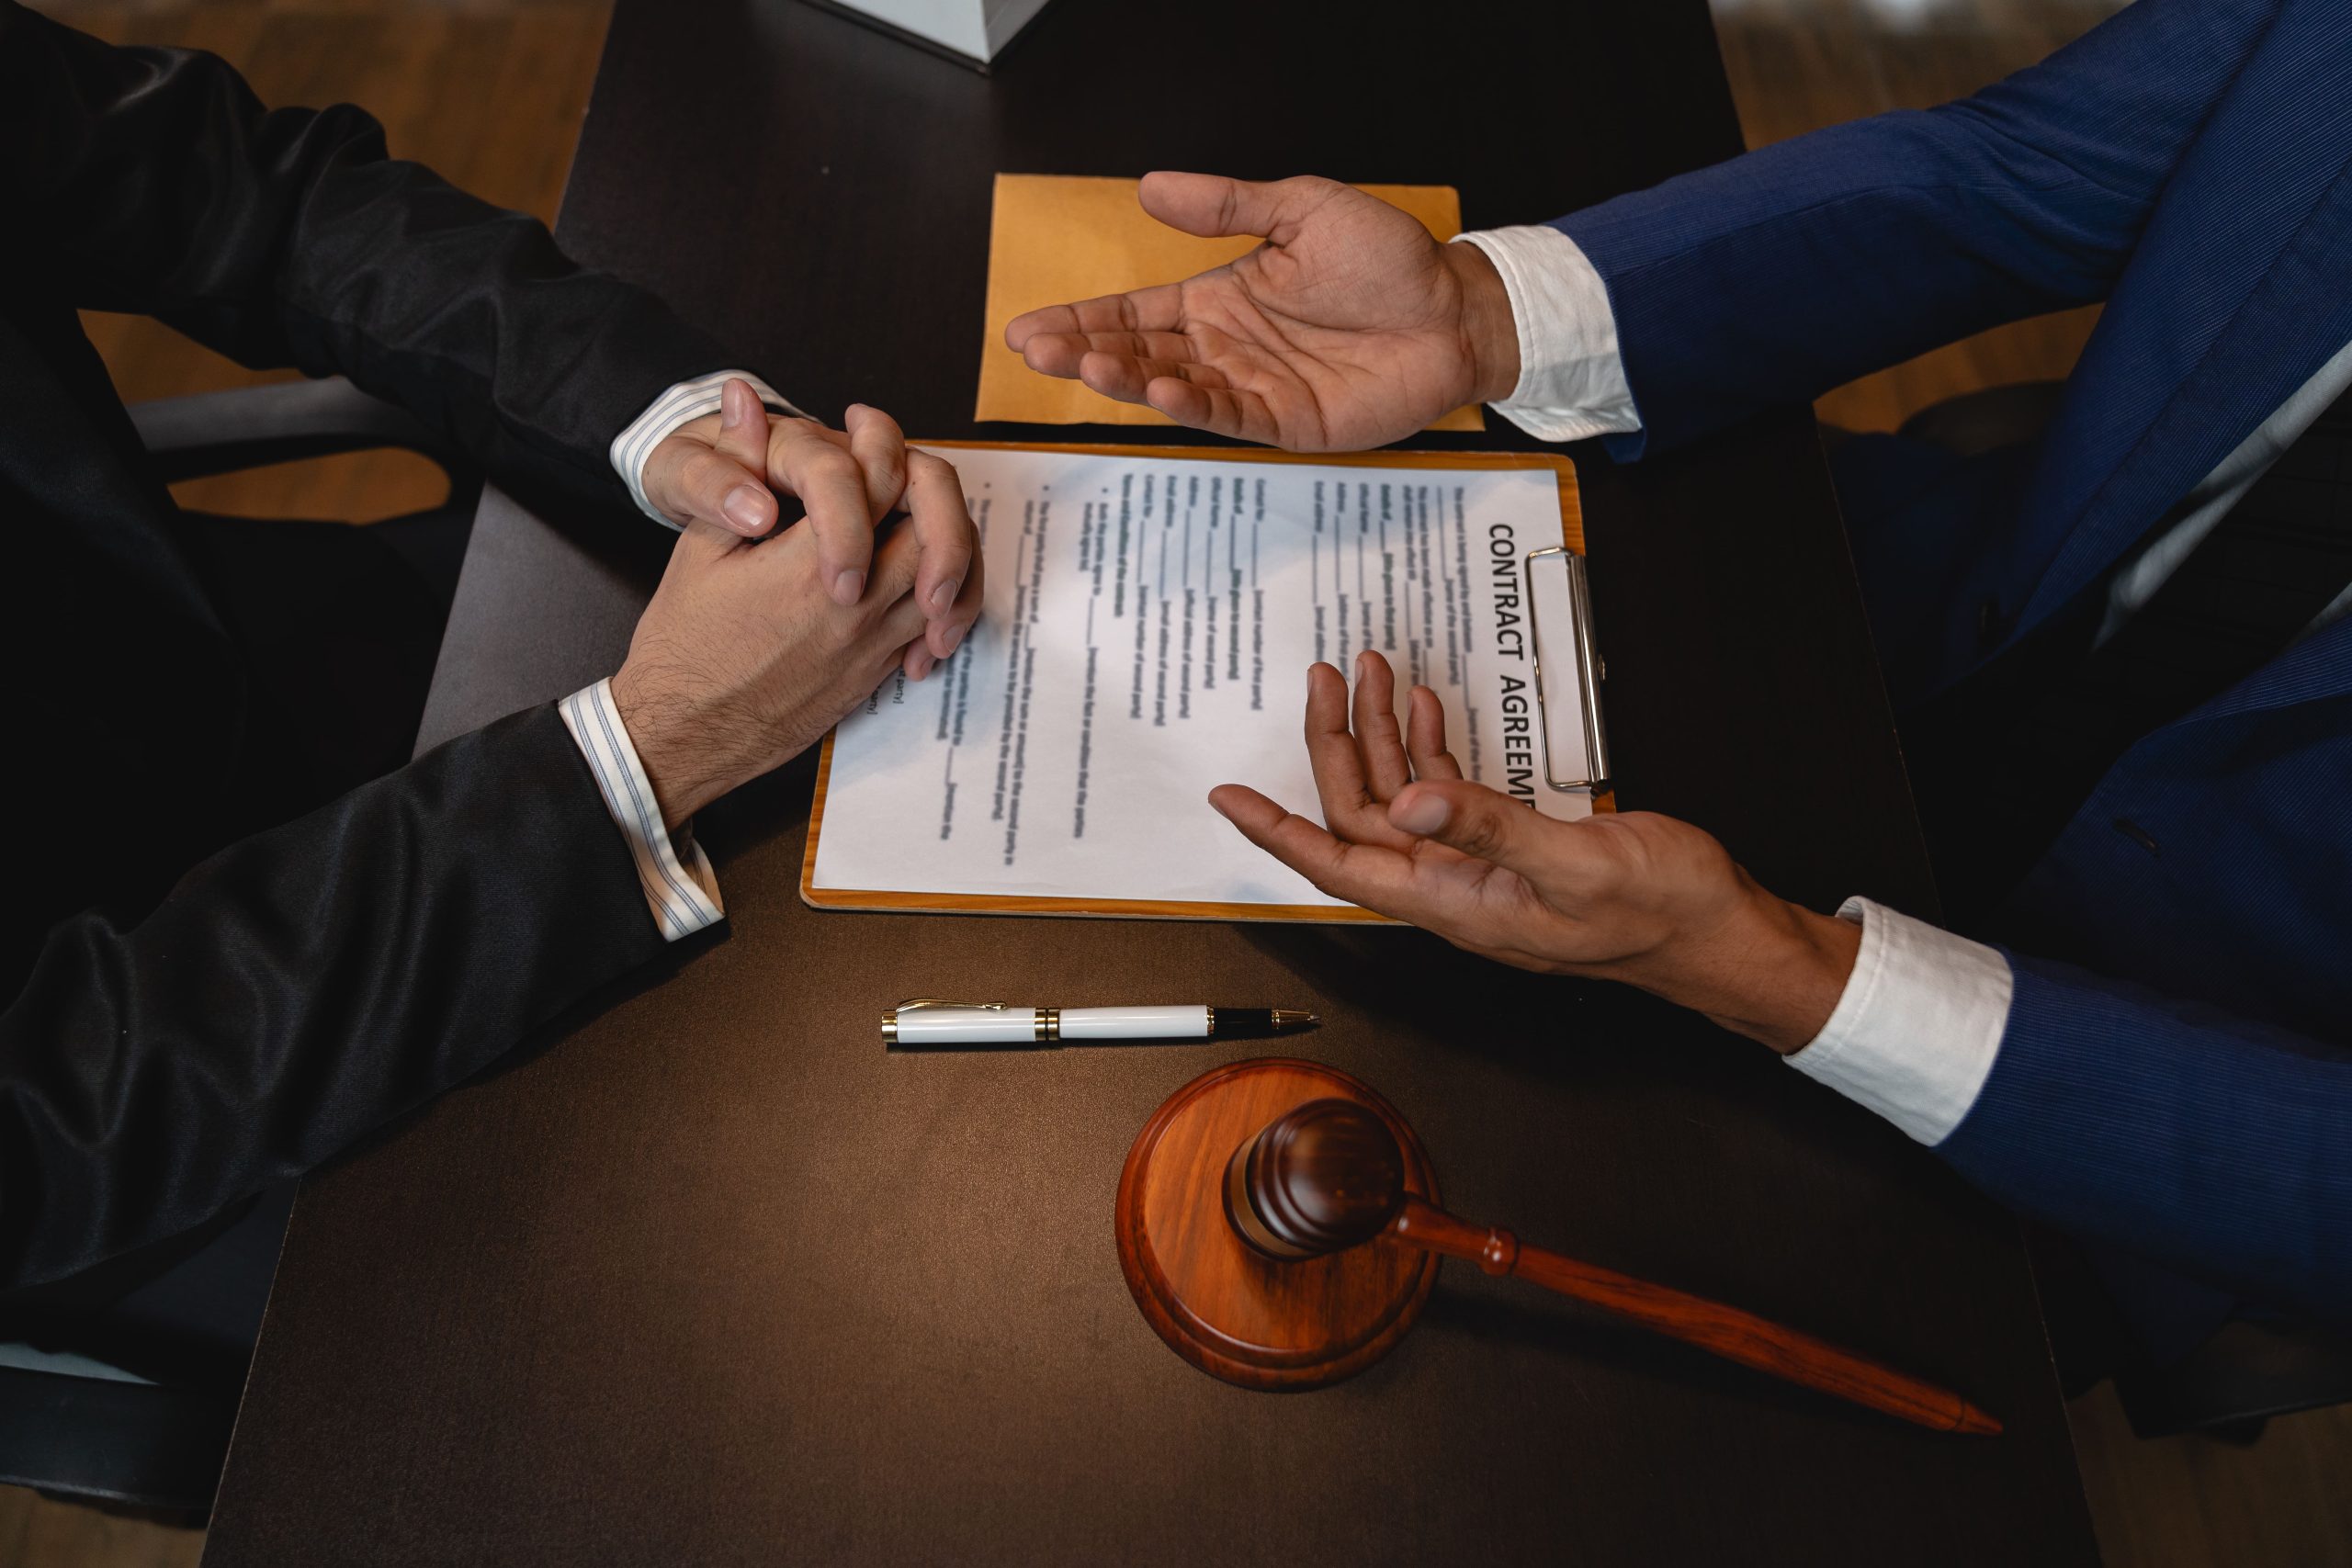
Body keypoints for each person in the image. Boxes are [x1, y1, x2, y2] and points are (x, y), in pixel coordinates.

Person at [1007, 0, 2351, 1368]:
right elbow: (2019, 171)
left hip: (2132, 1085)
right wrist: (1479, 319)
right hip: (1912, 618)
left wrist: (1779, 977)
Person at [0, 0, 981, 1373]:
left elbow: (251, 197)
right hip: (178, 1156)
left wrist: (676, 423)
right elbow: (58, 1111)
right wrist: (639, 755)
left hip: (229, 660)